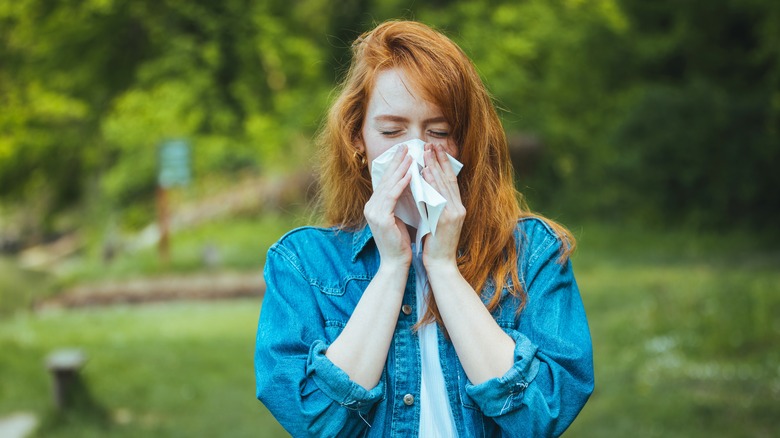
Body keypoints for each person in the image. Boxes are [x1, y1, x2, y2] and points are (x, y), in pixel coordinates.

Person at [254, 20, 594, 437]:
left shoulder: (533, 252)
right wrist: (394, 265)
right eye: (391, 131)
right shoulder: (303, 264)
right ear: (357, 139)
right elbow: (314, 420)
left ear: (464, 141)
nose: (415, 152)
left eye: (438, 132)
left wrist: (443, 268)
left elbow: (543, 416)